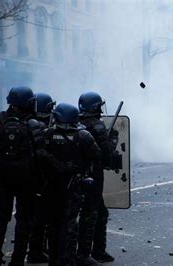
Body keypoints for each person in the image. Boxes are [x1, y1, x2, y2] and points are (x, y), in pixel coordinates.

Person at [0, 86, 45, 266]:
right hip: (27, 180)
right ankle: (17, 261)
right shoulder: (35, 124)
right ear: (28, 103)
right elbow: (41, 154)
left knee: (0, 216)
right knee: (24, 219)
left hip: (2, 179)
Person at [44, 103, 101, 265]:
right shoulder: (83, 135)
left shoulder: (48, 134)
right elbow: (97, 155)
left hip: (53, 185)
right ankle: (67, 258)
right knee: (69, 222)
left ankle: (54, 258)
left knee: (53, 222)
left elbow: (40, 156)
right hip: (74, 185)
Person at [78, 92, 118, 263]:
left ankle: (97, 251)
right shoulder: (98, 126)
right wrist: (113, 138)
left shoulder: (74, 123)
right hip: (93, 175)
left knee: (97, 212)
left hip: (75, 174)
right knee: (91, 213)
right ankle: (85, 255)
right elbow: (106, 154)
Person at [27, 93, 56, 263]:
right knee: (41, 217)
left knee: (31, 217)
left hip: (27, 178)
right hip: (40, 178)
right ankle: (36, 251)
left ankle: (36, 249)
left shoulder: (26, 124)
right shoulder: (40, 128)